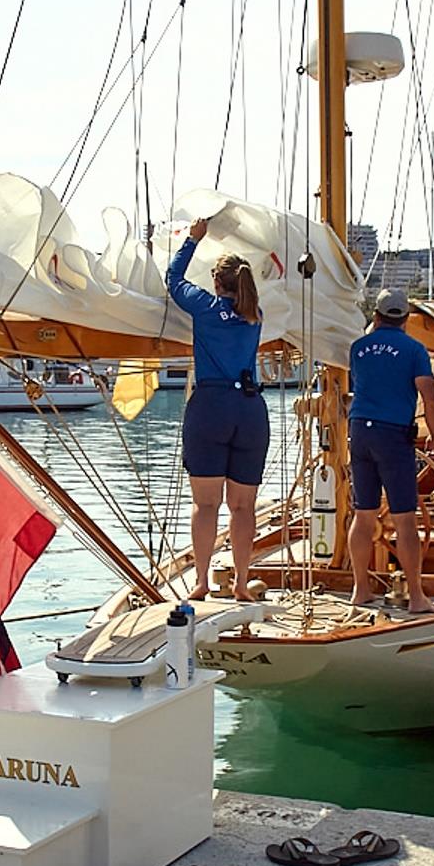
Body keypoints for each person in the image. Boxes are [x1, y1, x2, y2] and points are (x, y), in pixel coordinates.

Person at [166, 217, 269, 602]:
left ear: (217, 282)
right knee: (243, 507)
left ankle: (203, 582)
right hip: (249, 410)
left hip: (211, 406)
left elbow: (173, 280)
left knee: (205, 503)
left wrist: (192, 241)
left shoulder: (207, 308)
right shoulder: (255, 316)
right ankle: (242, 584)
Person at [348, 289, 434, 614]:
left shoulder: (358, 348)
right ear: (405, 318)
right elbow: (430, 398)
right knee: (405, 521)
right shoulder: (414, 349)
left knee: (364, 515)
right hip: (393, 436)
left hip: (359, 430)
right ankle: (416, 597)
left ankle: (360, 590)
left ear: (376, 315)